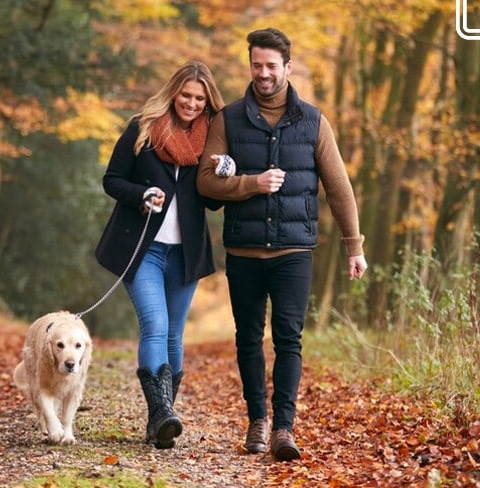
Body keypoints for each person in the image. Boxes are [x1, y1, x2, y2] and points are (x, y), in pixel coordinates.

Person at [196, 28, 367, 461]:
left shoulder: (313, 122)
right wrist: (251, 184)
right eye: (257, 65)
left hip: (293, 252)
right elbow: (205, 182)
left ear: (288, 68)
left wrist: (354, 246)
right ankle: (257, 421)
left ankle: (284, 429)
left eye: (272, 66)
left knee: (289, 339)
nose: (264, 73)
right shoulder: (228, 120)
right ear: (250, 65)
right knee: (248, 339)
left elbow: (339, 188)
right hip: (243, 252)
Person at [95, 60, 225, 450]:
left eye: (199, 98)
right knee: (155, 324)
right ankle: (161, 414)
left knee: (174, 333)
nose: (191, 103)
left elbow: (214, 204)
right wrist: (141, 195)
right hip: (143, 248)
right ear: (173, 92)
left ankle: (160, 419)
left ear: (207, 102)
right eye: (186, 95)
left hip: (185, 254)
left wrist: (222, 172)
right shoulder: (143, 128)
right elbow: (112, 179)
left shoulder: (213, 140)